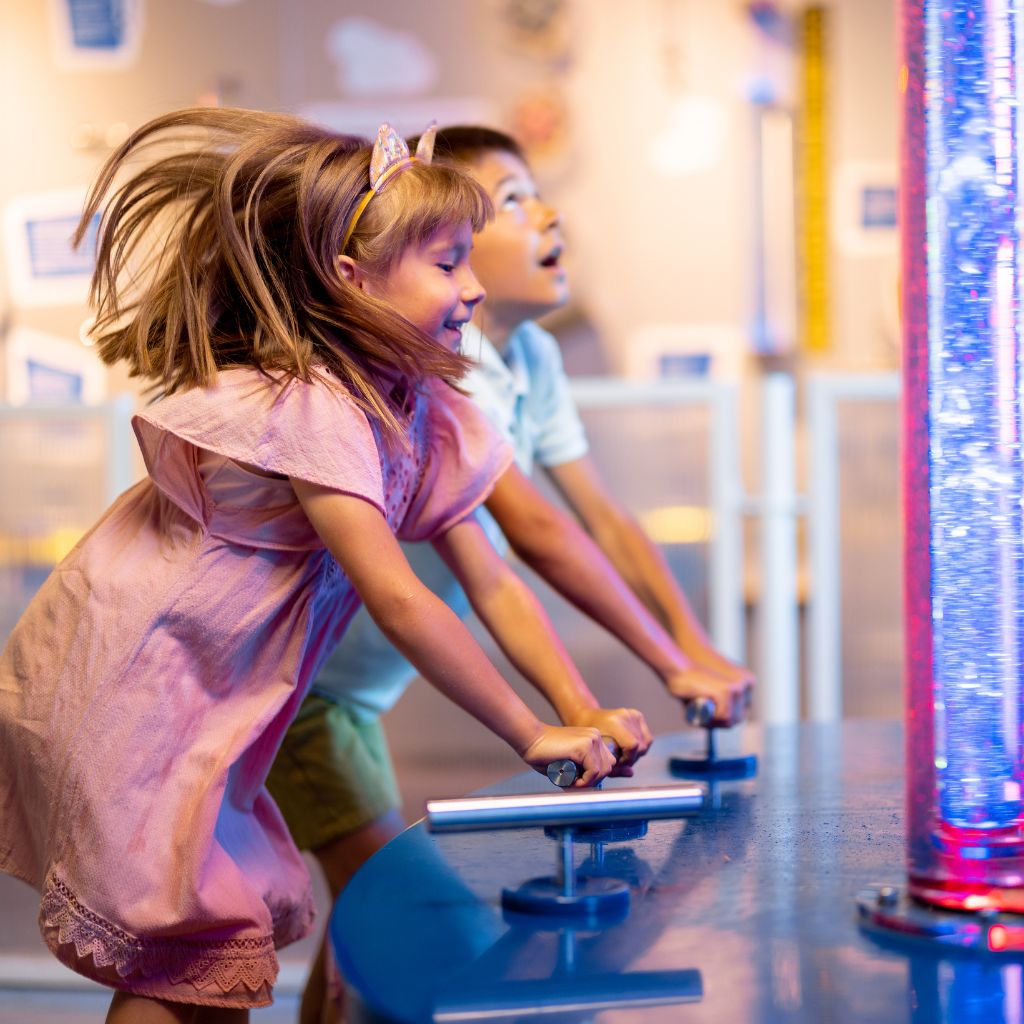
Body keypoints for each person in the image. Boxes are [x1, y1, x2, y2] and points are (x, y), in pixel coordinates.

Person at [0, 110, 651, 1024]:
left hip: (216, 699)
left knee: (207, 963)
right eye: (444, 262)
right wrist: (525, 732)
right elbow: (397, 595)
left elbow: (493, 575)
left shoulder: (422, 403)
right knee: (199, 953)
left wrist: (574, 708)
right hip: (139, 685)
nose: (468, 288)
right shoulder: (313, 404)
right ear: (350, 278)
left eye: (469, 257)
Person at [267, 125, 754, 1024]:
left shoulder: (516, 362)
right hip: (305, 697)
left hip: (347, 700)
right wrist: (564, 714)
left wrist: (688, 650)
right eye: (513, 203)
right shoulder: (418, 385)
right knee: (397, 913)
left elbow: (594, 525)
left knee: (361, 926)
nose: (546, 215)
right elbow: (527, 543)